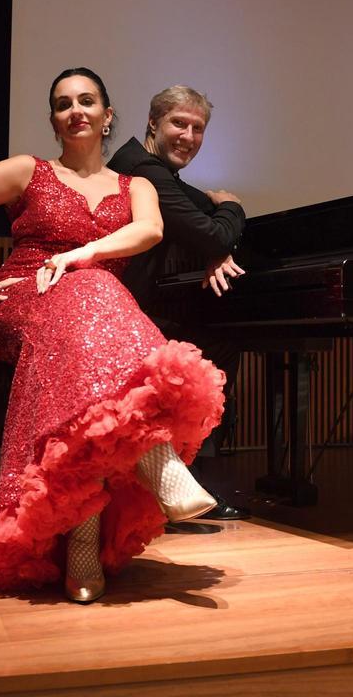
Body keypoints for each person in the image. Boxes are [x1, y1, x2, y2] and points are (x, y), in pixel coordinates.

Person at [0, 68, 224, 602]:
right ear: (55, 120)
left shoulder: (138, 186)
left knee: (95, 290)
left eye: (87, 101)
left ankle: (83, 535)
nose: (75, 110)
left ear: (108, 117)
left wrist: (82, 256)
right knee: (96, 293)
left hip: (90, 313)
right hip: (21, 300)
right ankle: (158, 461)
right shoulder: (28, 170)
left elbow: (148, 229)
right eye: (63, 104)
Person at [108, 86, 250, 520]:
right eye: (178, 124)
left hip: (136, 304)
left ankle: (180, 473)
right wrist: (232, 207)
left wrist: (212, 242)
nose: (188, 136)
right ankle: (178, 480)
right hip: (121, 313)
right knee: (217, 348)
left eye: (197, 128)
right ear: (153, 123)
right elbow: (214, 231)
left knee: (217, 342)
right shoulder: (143, 169)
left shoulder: (147, 168)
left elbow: (197, 219)